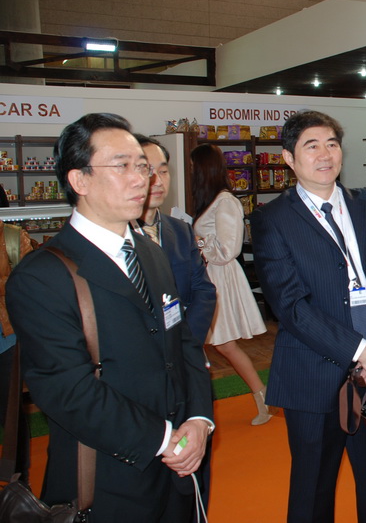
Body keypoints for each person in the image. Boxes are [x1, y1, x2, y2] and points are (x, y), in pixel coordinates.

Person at [6, 113, 214, 522]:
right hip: (108, 476)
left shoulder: (151, 252)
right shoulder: (41, 276)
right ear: (79, 180)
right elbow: (68, 391)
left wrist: (198, 418)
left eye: (143, 166)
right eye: (122, 166)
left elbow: (182, 343)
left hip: (180, 468)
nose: (142, 179)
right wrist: (164, 439)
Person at [249, 110, 366, 523]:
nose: (325, 154)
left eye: (332, 144)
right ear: (289, 158)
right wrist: (361, 351)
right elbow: (290, 305)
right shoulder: (271, 219)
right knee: (313, 489)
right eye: (312, 146)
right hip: (312, 373)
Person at [134, 134, 217, 515]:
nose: (157, 180)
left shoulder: (179, 230)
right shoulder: (118, 238)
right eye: (146, 170)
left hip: (186, 367)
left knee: (194, 478)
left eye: (163, 170)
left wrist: (186, 344)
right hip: (142, 378)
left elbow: (203, 291)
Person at [190, 143, 272, 426]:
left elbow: (229, 249)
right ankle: (261, 397)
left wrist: (198, 243)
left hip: (221, 278)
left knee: (224, 344)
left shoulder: (225, 201)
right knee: (219, 344)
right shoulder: (213, 200)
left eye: (193, 167)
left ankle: (262, 397)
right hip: (211, 276)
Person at [0, 192, 35, 481]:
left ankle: (18, 476)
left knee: (11, 413)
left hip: (7, 338)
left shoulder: (12, 237)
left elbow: (27, 285)